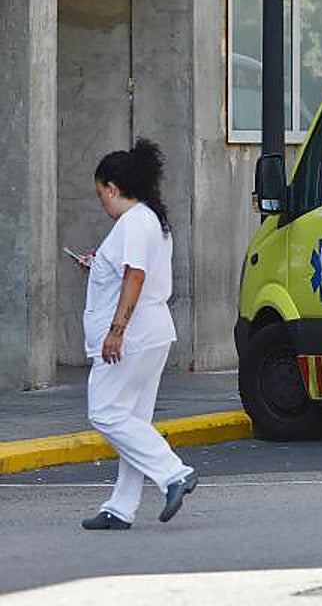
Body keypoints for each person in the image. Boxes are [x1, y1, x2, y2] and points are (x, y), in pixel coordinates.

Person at [75, 139, 197, 530]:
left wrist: (116, 331)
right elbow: (128, 272)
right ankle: (121, 507)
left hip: (133, 336)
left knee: (105, 412)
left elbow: (136, 275)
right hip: (152, 332)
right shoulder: (150, 220)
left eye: (101, 194)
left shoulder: (133, 222)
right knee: (134, 421)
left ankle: (173, 473)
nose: (102, 203)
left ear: (113, 187)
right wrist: (97, 266)